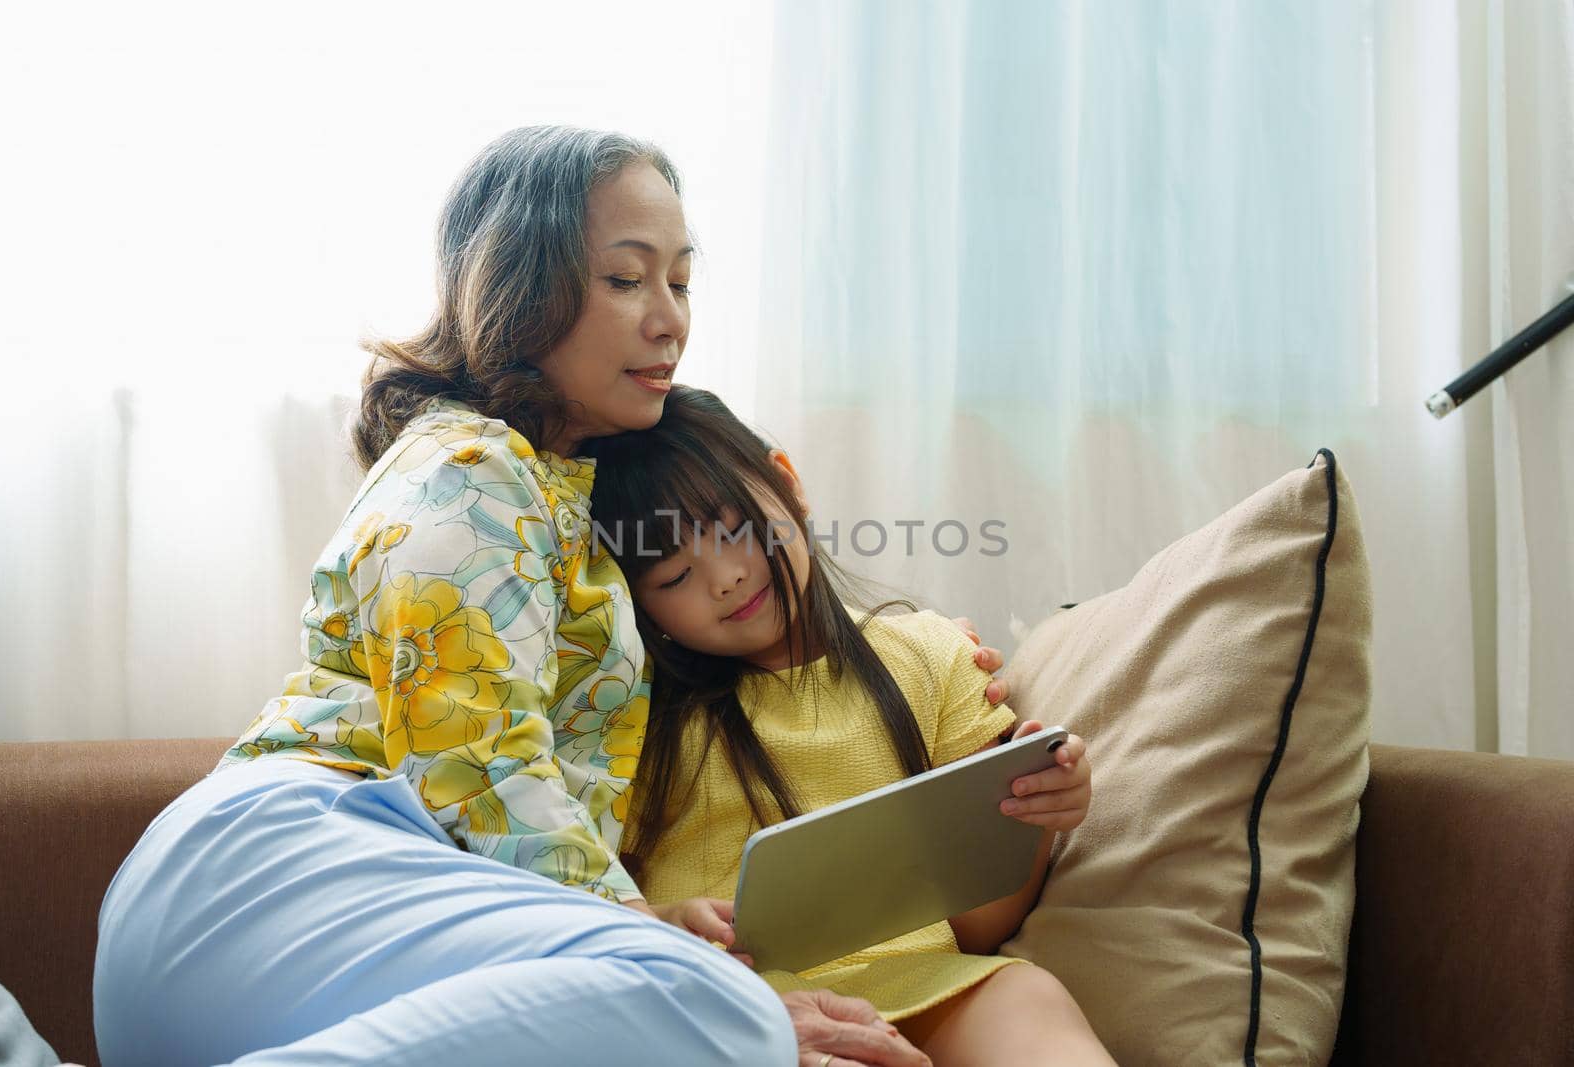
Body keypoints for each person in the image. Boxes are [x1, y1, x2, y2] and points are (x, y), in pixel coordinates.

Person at [92, 125, 1018, 1067]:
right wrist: (664, 956)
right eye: (627, 280)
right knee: (727, 1009)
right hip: (282, 880)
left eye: (681, 281)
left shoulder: (572, 499)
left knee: (705, 1007)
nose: (670, 320)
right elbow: (476, 774)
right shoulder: (468, 469)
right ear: (522, 292)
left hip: (332, 924)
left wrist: (912, 656)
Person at [584, 387, 1118, 1067]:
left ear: (788, 483)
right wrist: (662, 924)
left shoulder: (931, 656)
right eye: (675, 574)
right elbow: (580, 890)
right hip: (741, 1006)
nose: (724, 577)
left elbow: (981, 927)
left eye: (735, 529)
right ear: (639, 604)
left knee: (1028, 998)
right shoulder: (636, 717)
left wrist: (1038, 809)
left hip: (934, 985)